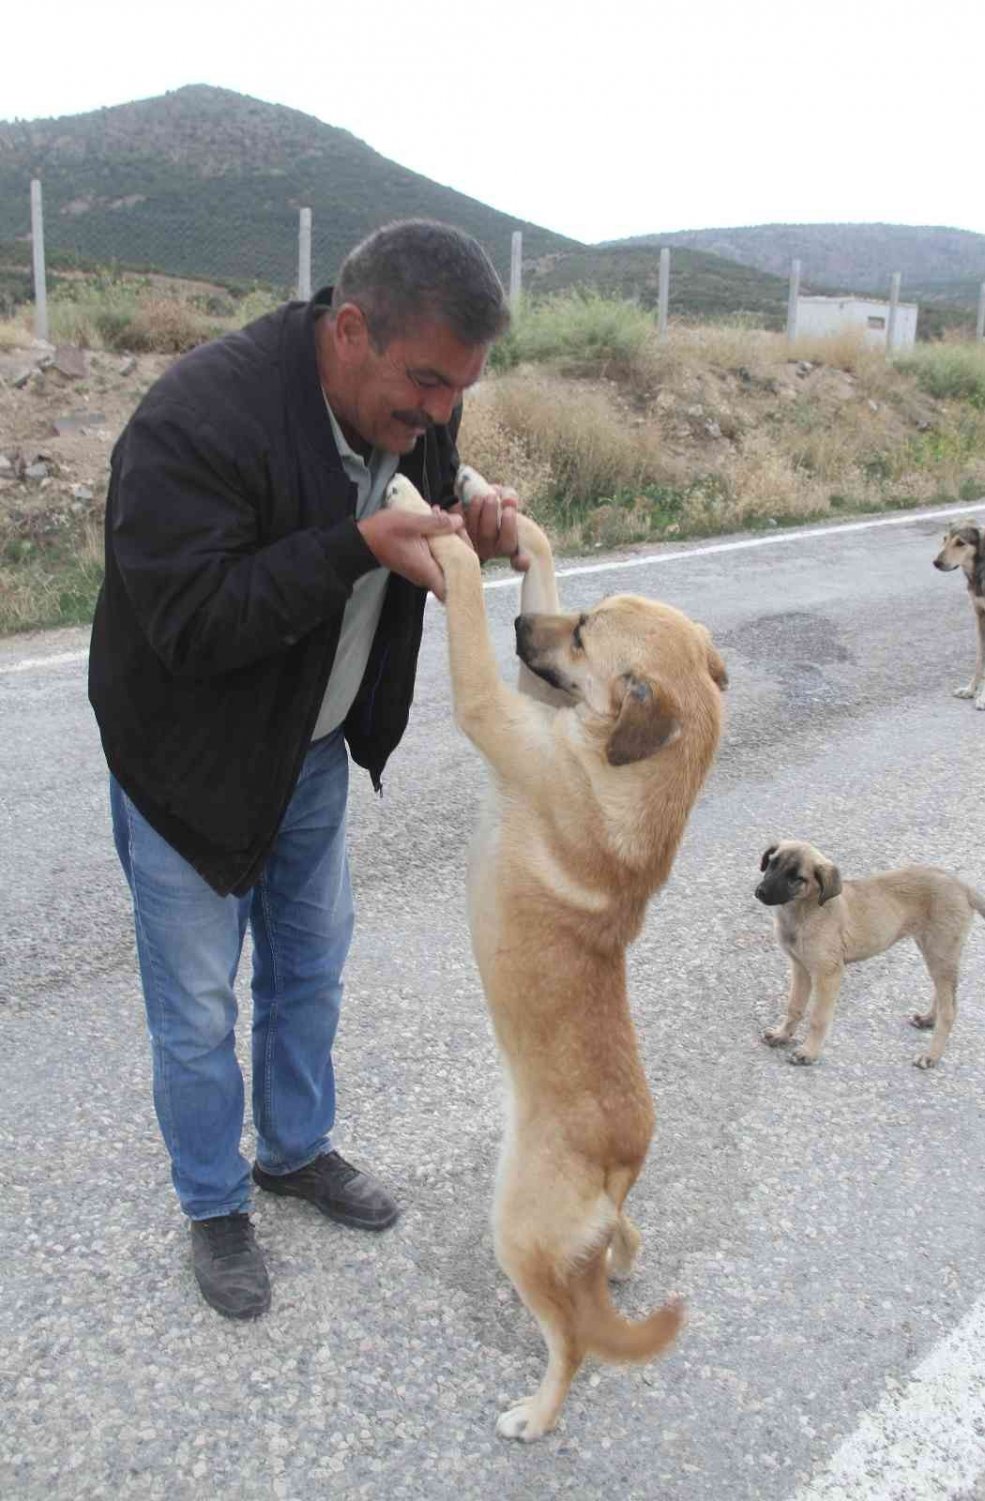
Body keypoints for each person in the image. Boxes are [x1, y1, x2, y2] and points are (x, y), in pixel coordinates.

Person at [89, 220, 523, 1319]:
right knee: (195, 1008)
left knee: (310, 970)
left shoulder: (415, 400)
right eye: (425, 381)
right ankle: (214, 1201)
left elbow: (419, 465)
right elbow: (189, 621)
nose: (435, 409)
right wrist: (352, 545)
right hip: (186, 767)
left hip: (313, 754)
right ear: (347, 328)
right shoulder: (195, 419)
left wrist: (471, 505)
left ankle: (292, 1149)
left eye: (455, 391)